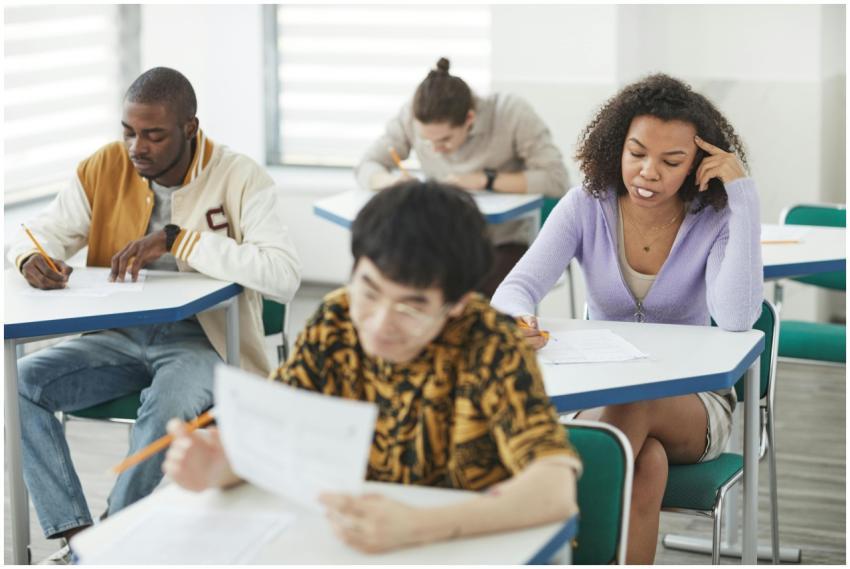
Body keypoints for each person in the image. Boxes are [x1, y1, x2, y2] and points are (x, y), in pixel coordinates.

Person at [163, 180, 581, 554]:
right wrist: (221, 465)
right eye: (369, 291)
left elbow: (555, 489)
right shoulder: (336, 321)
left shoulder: (491, 343)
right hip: (353, 544)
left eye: (411, 307)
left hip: (466, 550)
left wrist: (418, 526)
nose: (380, 324)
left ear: (456, 304)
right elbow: (273, 438)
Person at [7, 67, 302, 558]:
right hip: (119, 336)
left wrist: (177, 240)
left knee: (166, 410)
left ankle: (112, 545)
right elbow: (37, 234)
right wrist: (28, 258)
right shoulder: (104, 167)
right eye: (128, 132)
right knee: (17, 384)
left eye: (153, 135)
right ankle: (80, 539)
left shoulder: (239, 175)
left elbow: (283, 274)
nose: (136, 147)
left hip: (204, 341)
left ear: (190, 128)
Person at [491, 74, 763, 564]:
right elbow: (515, 289)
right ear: (617, 146)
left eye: (671, 161)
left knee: (634, 402)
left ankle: (539, 510)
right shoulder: (585, 206)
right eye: (636, 153)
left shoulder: (714, 219)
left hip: (693, 402)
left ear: (696, 165)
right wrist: (518, 319)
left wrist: (743, 196)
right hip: (601, 393)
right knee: (645, 464)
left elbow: (737, 317)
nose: (648, 172)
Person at [354, 57, 569, 297]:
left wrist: (486, 180)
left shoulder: (510, 113)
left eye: (445, 139)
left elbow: (556, 180)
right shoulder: (411, 116)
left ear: (469, 119)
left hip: (501, 240)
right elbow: (366, 166)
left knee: (478, 300)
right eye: (426, 140)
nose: (435, 149)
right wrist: (392, 183)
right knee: (400, 282)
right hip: (440, 239)